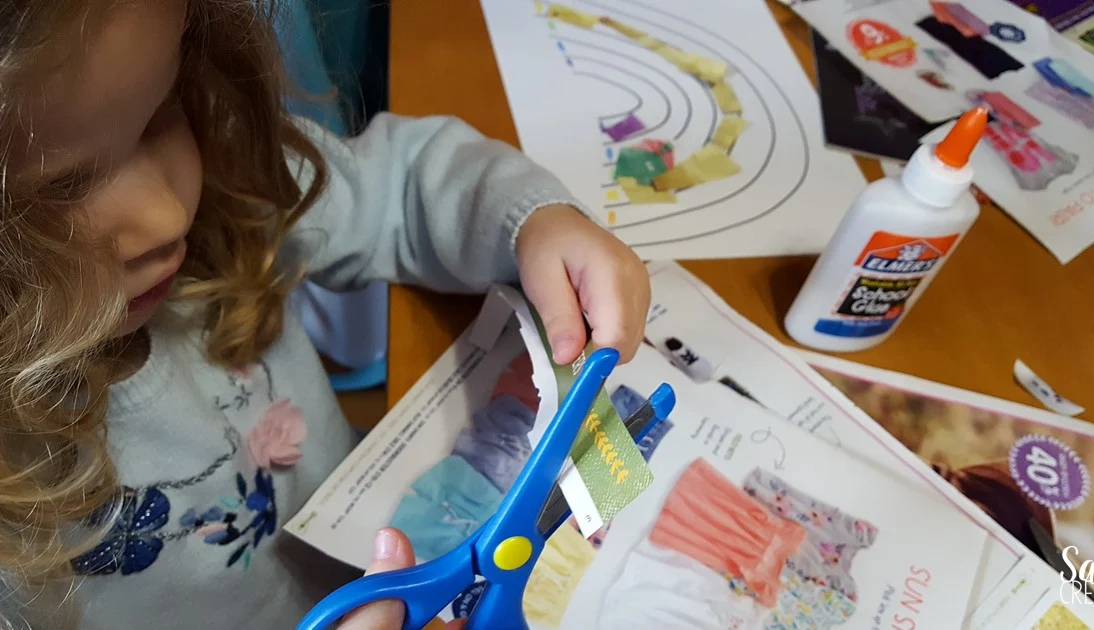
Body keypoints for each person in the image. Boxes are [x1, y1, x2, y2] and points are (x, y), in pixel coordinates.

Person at [0, 1, 650, 628]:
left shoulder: (232, 183)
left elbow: (398, 182)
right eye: (55, 192)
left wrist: (531, 224)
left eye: (158, 115)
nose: (166, 218)